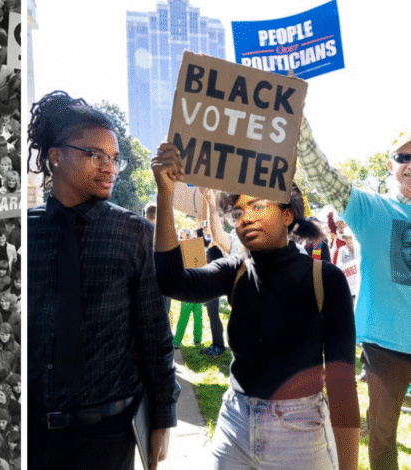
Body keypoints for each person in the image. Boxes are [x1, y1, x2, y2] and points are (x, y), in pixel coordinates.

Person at [151, 142, 359, 469]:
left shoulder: (326, 280)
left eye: (257, 206)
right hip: (235, 423)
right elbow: (172, 282)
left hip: (301, 432)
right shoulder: (234, 271)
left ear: (287, 214)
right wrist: (165, 194)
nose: (245, 218)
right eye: (237, 212)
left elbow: (343, 384)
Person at [26, 90, 178, 470]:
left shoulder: (134, 234)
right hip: (32, 436)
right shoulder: (23, 234)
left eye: (114, 158)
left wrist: (163, 416)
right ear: (56, 156)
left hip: (108, 437)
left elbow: (155, 334)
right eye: (96, 155)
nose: (109, 167)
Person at [297, 118, 411, 468]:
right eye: (403, 157)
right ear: (390, 165)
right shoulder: (369, 209)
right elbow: (323, 176)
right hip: (386, 347)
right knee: (382, 437)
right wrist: (300, 128)